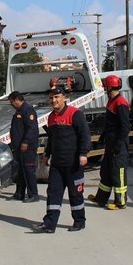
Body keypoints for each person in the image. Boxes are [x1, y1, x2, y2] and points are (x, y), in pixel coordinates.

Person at [32, 86, 90, 233]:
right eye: (51, 97)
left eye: (57, 97)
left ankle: (79, 222)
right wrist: (46, 155)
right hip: (57, 164)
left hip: (73, 164)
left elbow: (85, 135)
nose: (54, 100)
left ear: (64, 97)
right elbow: (51, 139)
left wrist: (83, 154)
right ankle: (49, 224)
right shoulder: (51, 117)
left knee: (75, 194)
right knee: (53, 193)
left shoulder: (75, 114)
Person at [87, 74, 130, 210]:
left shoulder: (120, 103)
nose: (105, 89)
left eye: (106, 86)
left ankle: (120, 202)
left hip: (118, 144)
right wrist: (104, 135)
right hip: (111, 143)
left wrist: (118, 144)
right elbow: (111, 123)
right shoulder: (111, 101)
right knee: (106, 171)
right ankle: (101, 198)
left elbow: (125, 127)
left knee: (118, 173)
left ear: (110, 86)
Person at [8, 91, 40, 203]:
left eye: (12, 102)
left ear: (17, 99)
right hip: (19, 148)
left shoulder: (28, 110)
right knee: (20, 171)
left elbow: (32, 129)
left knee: (28, 170)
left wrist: (25, 142)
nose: (11, 104)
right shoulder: (19, 111)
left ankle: (33, 195)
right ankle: (19, 194)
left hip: (27, 148)